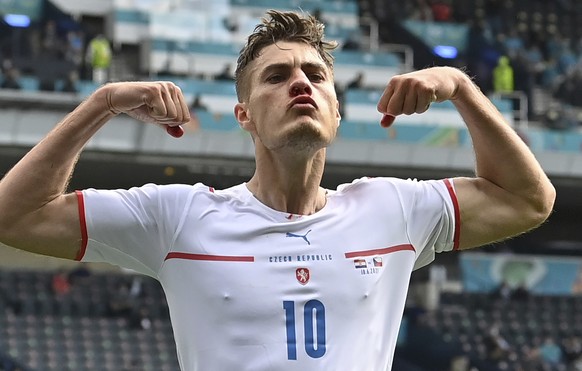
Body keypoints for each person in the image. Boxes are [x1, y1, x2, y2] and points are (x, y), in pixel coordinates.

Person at [0, 9, 555, 371]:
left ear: (336, 110)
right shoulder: (179, 218)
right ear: (244, 116)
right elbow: (15, 216)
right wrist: (100, 104)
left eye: (316, 76)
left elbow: (530, 200)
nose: (300, 84)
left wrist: (459, 87)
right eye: (276, 76)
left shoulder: (392, 210)